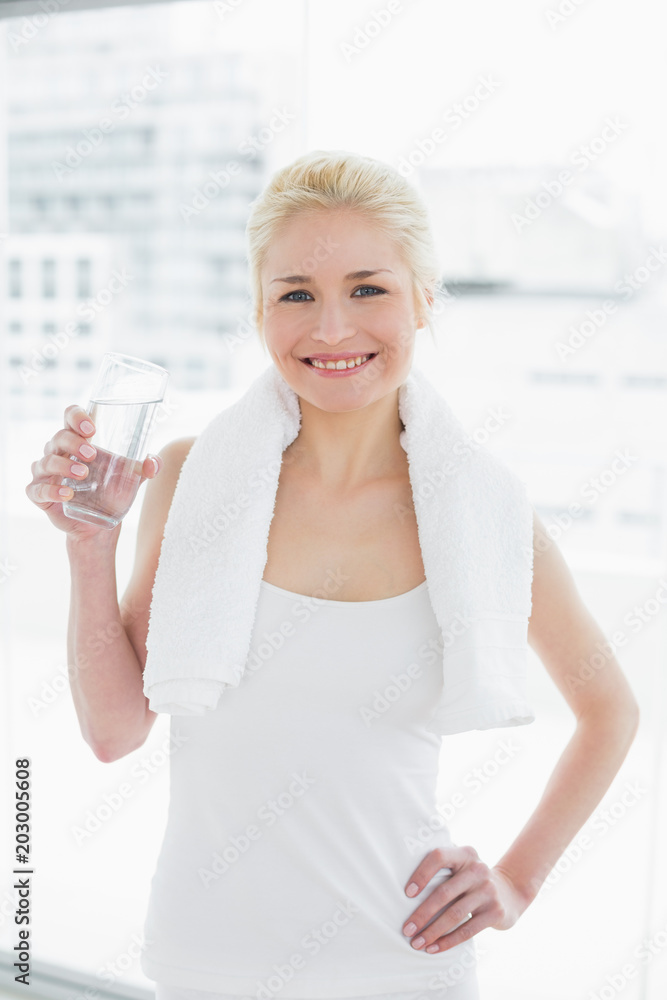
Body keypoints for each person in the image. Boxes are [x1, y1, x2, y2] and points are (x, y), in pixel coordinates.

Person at [26, 150, 640, 999]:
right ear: (259, 310)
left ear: (423, 300)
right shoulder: (191, 479)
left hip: (400, 963)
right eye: (296, 295)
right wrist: (87, 545)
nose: (331, 329)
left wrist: (516, 882)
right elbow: (114, 731)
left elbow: (609, 710)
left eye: (368, 288)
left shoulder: (479, 511)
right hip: (206, 960)